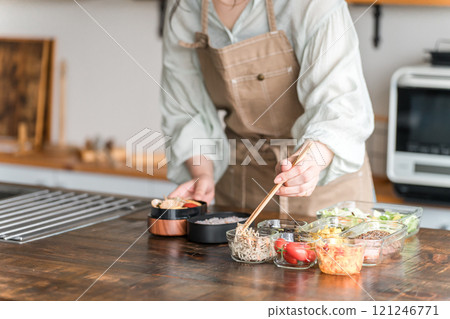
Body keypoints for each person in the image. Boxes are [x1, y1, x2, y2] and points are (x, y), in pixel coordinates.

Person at [160, 0, 374, 218]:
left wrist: (309, 163)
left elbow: (340, 105)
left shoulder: (313, 4)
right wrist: (203, 173)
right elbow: (186, 109)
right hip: (241, 181)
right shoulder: (184, 8)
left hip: (321, 183)